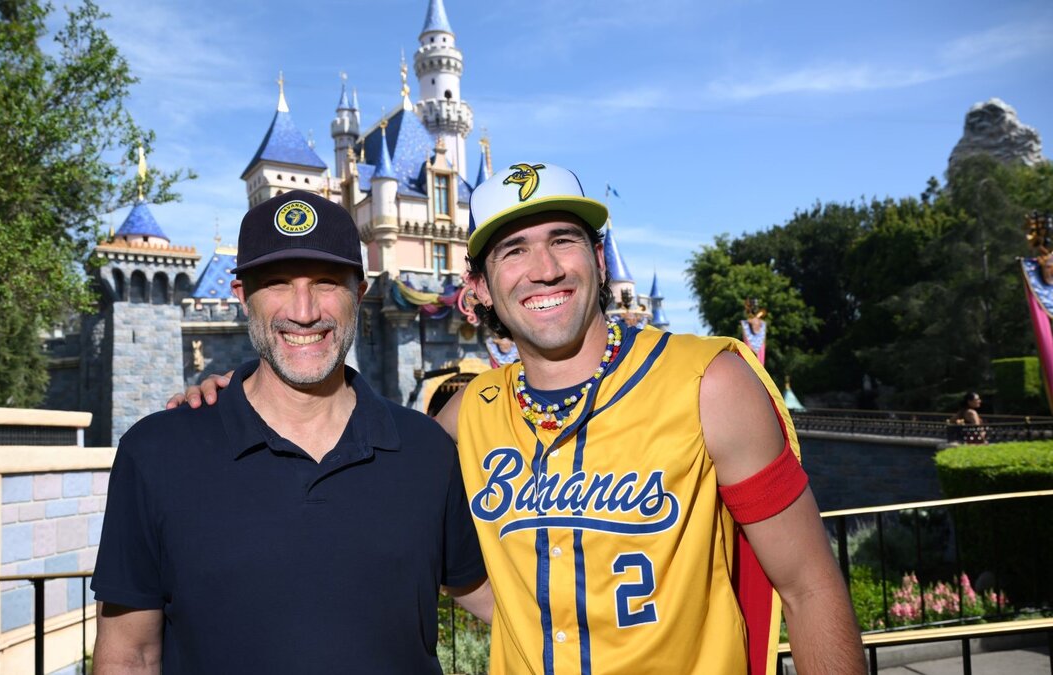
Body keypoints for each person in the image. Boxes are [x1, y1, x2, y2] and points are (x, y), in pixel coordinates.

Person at [173, 165, 866, 674]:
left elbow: (810, 587)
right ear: (476, 290)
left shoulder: (709, 382)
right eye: (512, 250)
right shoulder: (461, 420)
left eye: (563, 239)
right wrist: (235, 392)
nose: (543, 268)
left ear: (598, 261)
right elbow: (348, 444)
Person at [93, 190, 490, 674]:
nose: (304, 311)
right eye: (278, 283)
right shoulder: (157, 453)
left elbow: (505, 601)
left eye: (326, 283)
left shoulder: (425, 451)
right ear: (241, 296)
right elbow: (129, 656)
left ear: (359, 294)